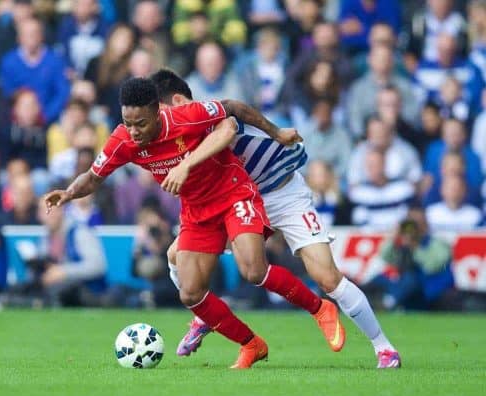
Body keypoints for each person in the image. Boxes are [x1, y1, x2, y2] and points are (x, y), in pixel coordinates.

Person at [44, 77, 344, 369]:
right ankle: (251, 344)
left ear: (157, 112)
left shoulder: (186, 117)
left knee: (253, 270)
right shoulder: (122, 140)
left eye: (141, 123)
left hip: (233, 193)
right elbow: (95, 177)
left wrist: (276, 132)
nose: (133, 131)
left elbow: (233, 107)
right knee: (190, 293)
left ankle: (320, 309)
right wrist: (69, 193)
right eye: (128, 122)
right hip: (197, 211)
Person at [150, 69, 400, 368]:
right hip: (232, 198)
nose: (157, 122)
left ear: (177, 101)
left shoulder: (207, 115)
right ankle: (202, 316)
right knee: (176, 255)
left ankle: (383, 347)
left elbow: (234, 115)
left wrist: (276, 131)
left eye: (160, 112)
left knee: (327, 277)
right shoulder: (172, 135)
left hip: (283, 194)